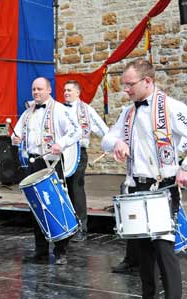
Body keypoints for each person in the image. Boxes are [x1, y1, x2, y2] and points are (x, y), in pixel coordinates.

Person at [101, 59, 187, 298]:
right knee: (143, 252)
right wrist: (117, 142)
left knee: (163, 249)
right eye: (124, 85)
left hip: (162, 187)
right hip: (136, 186)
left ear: (147, 81)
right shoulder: (128, 113)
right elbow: (106, 139)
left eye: (130, 85)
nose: (126, 90)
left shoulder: (171, 107)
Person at [11, 77, 81, 265]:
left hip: (51, 164)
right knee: (37, 208)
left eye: (40, 89)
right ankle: (40, 250)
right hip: (33, 163)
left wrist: (61, 144)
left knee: (55, 206)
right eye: (33, 89)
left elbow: (76, 131)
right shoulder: (27, 113)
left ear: (49, 90)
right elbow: (16, 134)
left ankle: (61, 251)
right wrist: (15, 139)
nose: (36, 92)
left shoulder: (59, 109)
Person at [63, 80, 109, 241]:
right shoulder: (59, 109)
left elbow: (103, 129)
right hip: (62, 154)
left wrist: (111, 145)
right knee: (63, 190)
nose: (66, 93)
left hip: (78, 153)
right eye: (64, 90)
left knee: (76, 189)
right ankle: (66, 225)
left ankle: (81, 227)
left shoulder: (86, 110)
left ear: (78, 93)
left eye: (69, 90)